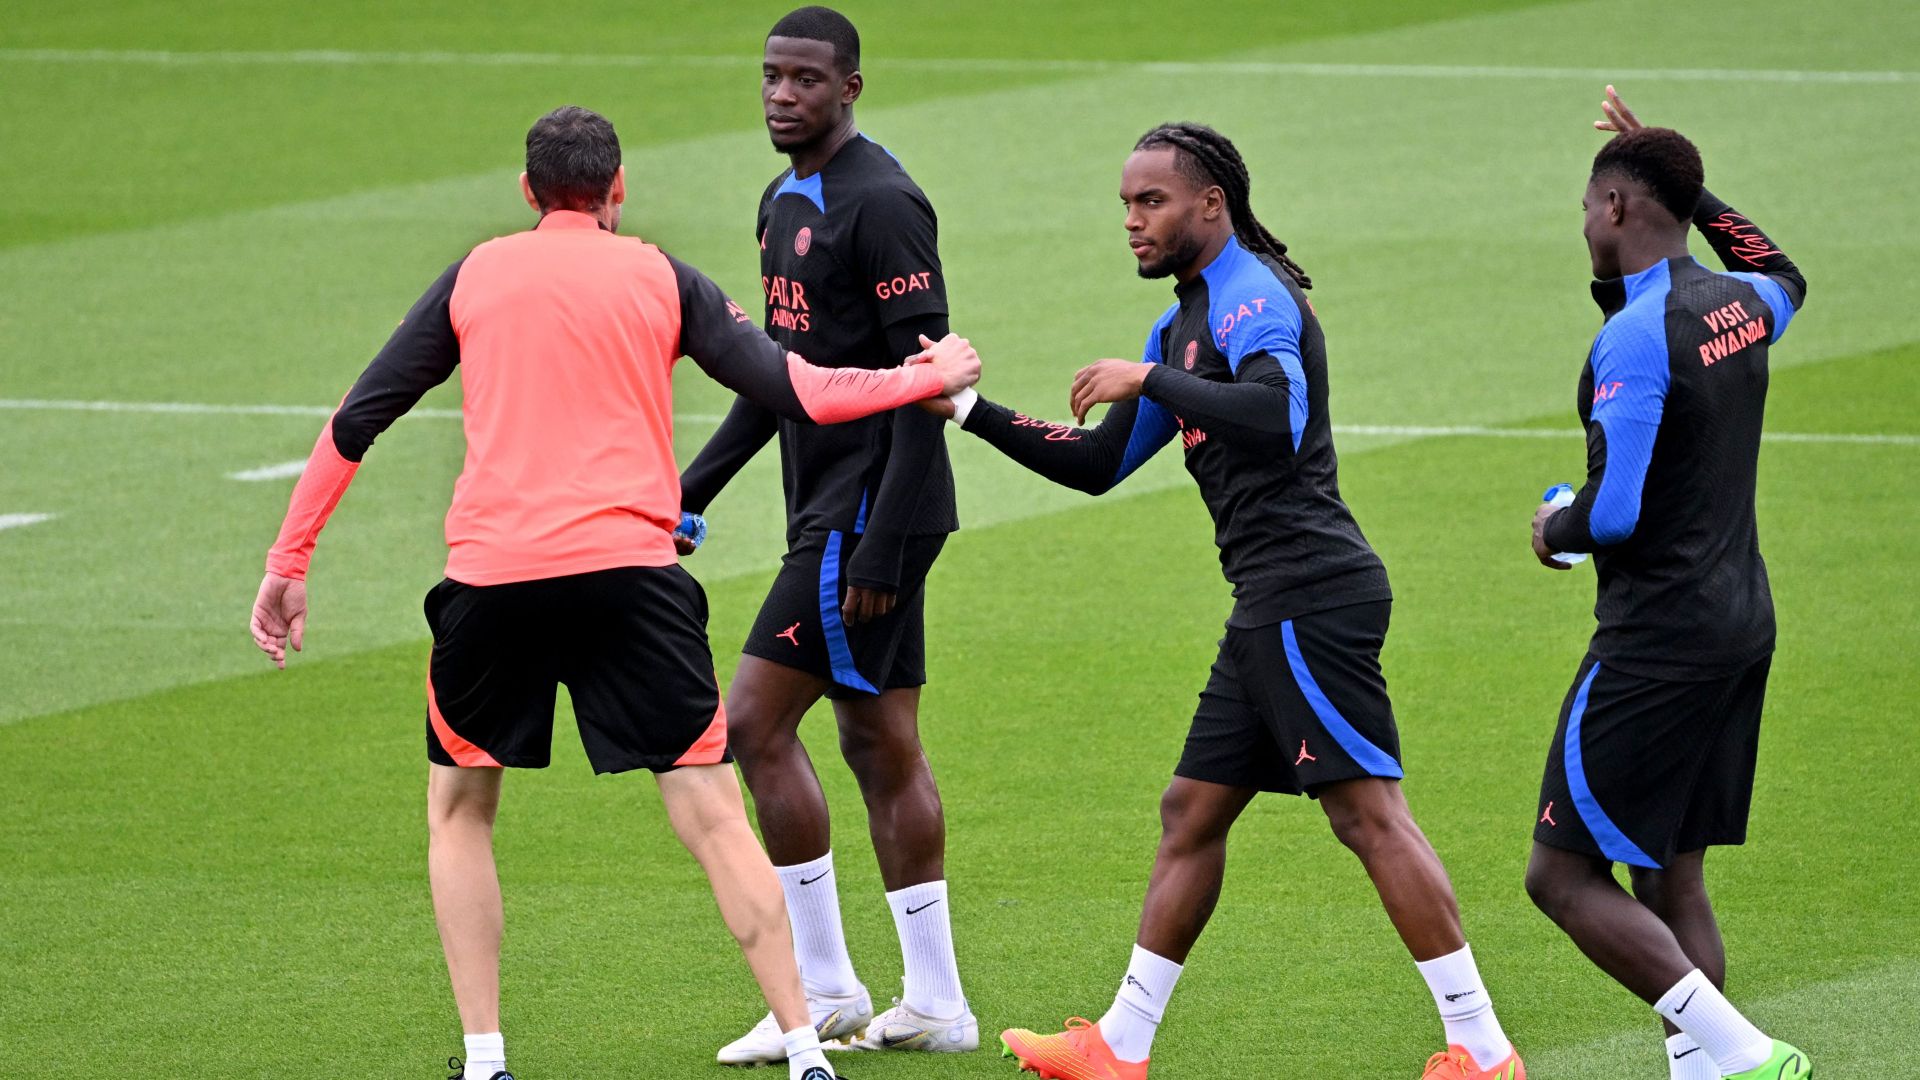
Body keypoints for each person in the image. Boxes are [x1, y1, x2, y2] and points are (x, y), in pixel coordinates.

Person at [245, 105, 979, 1080]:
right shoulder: (661, 276)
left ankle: (483, 1059)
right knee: (714, 812)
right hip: (633, 581)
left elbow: (359, 417)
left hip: (493, 579)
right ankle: (808, 1050)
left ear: (526, 192)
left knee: (461, 812)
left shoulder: (475, 274)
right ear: (618, 189)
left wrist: (288, 563)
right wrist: (922, 375)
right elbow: (794, 386)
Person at [933, 122, 1524, 1080]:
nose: (1132, 221)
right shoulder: (1183, 322)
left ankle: (1486, 1051)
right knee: (1192, 811)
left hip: (1310, 594)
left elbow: (1277, 418)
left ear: (1210, 203)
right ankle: (1119, 1048)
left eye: (1151, 202)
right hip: (1270, 601)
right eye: (1126, 203)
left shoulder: (1251, 298)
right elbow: (1095, 464)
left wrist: (1151, 377)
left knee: (1368, 815)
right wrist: (967, 409)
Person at [674, 6, 976, 1062]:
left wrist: (885, 545)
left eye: (805, 79)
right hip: (833, 507)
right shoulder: (781, 200)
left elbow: (921, 389)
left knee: (752, 726)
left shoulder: (884, 204)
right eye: (770, 76)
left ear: (851, 86)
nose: (781, 94)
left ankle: (826, 985)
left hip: (867, 514)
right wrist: (692, 489)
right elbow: (784, 380)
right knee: (878, 741)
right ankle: (933, 1004)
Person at [1523, 88, 1809, 1080]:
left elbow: (1615, 514)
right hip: (1741, 620)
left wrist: (1551, 526)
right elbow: (1783, 272)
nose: (1584, 232)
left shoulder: (1636, 338)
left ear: (1613, 210)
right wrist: (1690, 191)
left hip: (1660, 641)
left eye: (1586, 210)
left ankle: (1743, 1053)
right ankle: (1709, 1073)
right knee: (1667, 873)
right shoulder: (1741, 305)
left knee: (1559, 874)